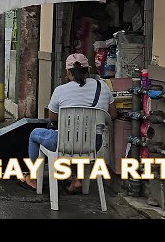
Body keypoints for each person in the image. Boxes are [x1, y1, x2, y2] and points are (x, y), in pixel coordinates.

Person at [19, 53, 117, 194]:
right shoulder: (103, 87)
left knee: (35, 134)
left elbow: (52, 117)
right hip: (94, 142)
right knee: (80, 142)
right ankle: (77, 179)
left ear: (68, 72)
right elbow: (112, 115)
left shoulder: (60, 91)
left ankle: (32, 178)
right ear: (88, 71)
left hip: (64, 142)